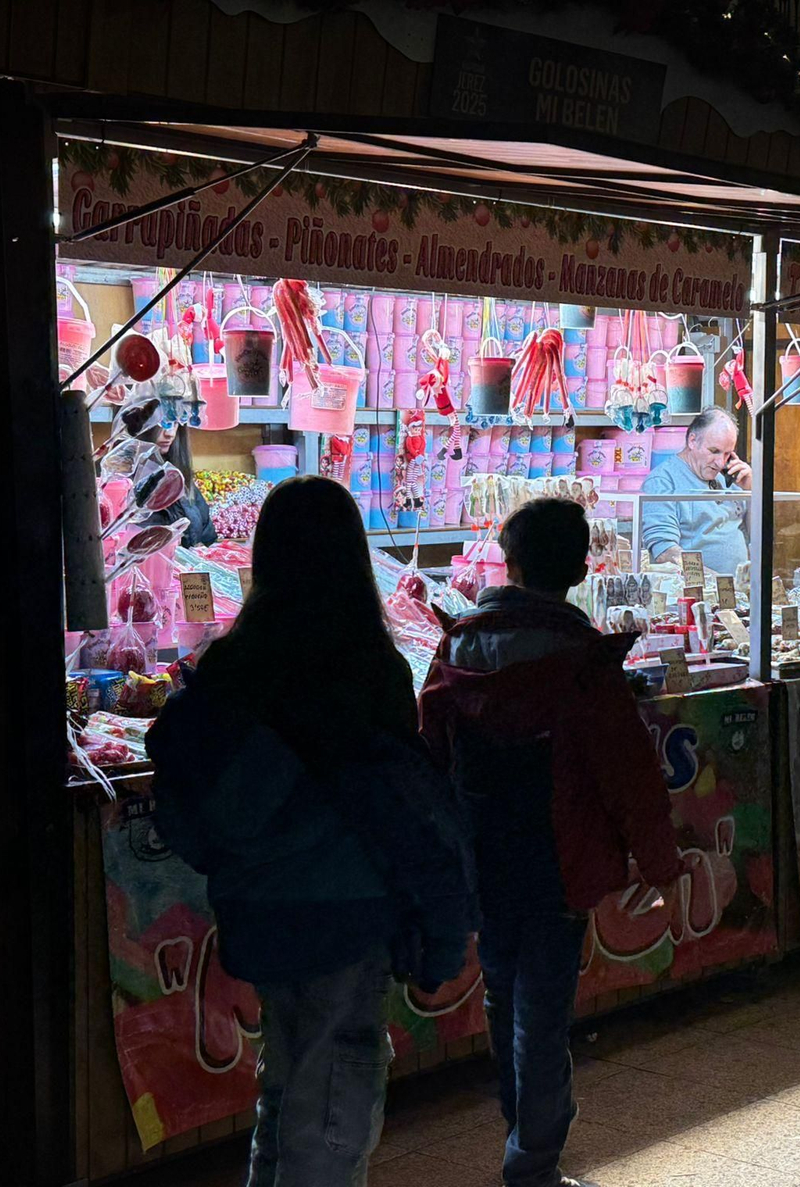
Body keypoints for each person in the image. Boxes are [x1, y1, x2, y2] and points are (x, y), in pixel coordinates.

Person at [147, 476, 474, 1185]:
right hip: (345, 913)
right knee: (332, 1109)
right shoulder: (368, 669)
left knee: (288, 1083)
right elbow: (402, 810)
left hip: (258, 912)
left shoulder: (231, 666)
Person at [419, 498, 682, 1187]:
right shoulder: (582, 661)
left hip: (483, 852)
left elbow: (430, 749)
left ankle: (523, 1140)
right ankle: (533, 1163)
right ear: (579, 568)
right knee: (541, 1011)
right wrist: (659, 862)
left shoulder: (458, 645)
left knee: (503, 997)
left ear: (509, 561)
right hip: (558, 857)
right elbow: (628, 771)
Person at [638, 407, 751, 574]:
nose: (720, 462)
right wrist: (717, 582)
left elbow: (759, 537)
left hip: (742, 589)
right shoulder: (662, 481)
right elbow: (665, 551)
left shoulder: (729, 478)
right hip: (698, 592)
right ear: (692, 441)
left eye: (727, 454)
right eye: (714, 451)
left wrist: (752, 491)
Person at [141, 420, 217, 547]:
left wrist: (200, 553)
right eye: (162, 422)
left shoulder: (179, 476)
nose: (170, 433)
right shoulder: (123, 482)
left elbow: (207, 537)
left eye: (175, 423)